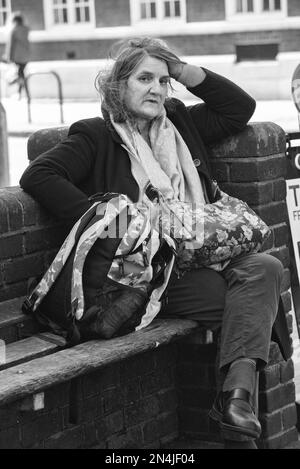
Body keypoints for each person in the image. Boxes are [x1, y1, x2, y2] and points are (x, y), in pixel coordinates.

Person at [19, 37, 291, 449]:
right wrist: (115, 220)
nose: (157, 90)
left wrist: (181, 69)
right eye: (144, 78)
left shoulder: (181, 124)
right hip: (147, 273)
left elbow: (240, 108)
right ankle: (235, 411)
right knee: (251, 300)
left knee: (265, 269)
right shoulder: (95, 136)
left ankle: (236, 402)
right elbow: (38, 176)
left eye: (164, 81)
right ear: (118, 86)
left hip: (204, 255)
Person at [3, 12, 30, 99]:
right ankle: (23, 93)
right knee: (21, 73)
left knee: (19, 74)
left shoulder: (14, 30)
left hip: (17, 57)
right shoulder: (26, 29)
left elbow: (11, 45)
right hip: (25, 56)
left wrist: (8, 57)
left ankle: (16, 88)